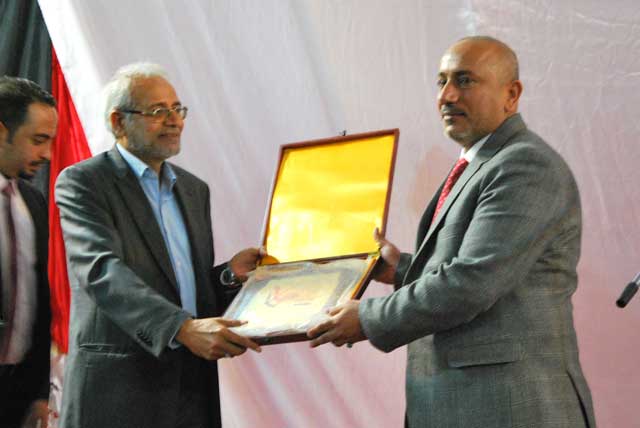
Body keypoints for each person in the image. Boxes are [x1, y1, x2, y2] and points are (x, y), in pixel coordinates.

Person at [308, 36, 596, 427]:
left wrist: (371, 317)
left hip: (511, 409)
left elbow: (472, 281)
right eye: (441, 81)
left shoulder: (525, 166)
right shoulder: (481, 162)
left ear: (511, 94)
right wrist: (402, 270)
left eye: (464, 80)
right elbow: (478, 268)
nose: (447, 95)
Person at [55, 63, 262, 428]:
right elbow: (101, 271)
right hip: (118, 392)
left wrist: (229, 274)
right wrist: (181, 329)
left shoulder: (194, 190)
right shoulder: (84, 182)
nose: (174, 120)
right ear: (118, 122)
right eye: (157, 111)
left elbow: (183, 288)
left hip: (190, 390)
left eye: (177, 109)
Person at [0, 77, 57, 428]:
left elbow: (38, 303)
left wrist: (39, 393)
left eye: (50, 141)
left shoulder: (33, 202)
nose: (47, 154)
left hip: (17, 394)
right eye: (38, 140)